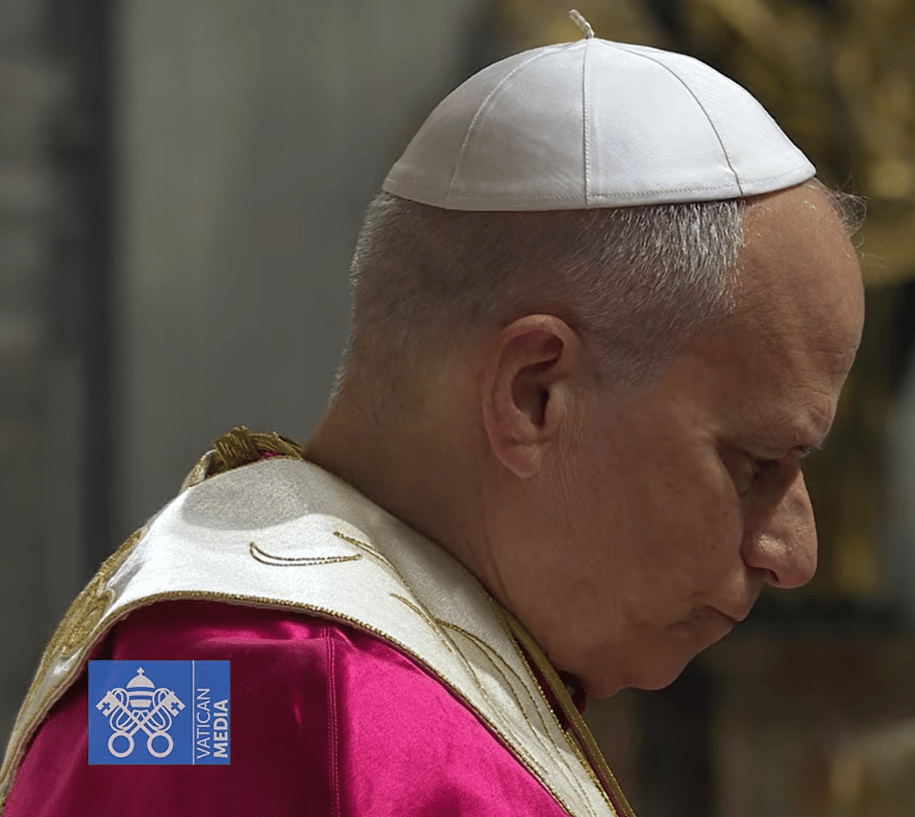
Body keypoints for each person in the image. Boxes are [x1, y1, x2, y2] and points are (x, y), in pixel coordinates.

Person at [0, 11, 864, 817]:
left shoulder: (263, 670)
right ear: (533, 394)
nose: (793, 553)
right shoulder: (287, 692)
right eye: (757, 464)